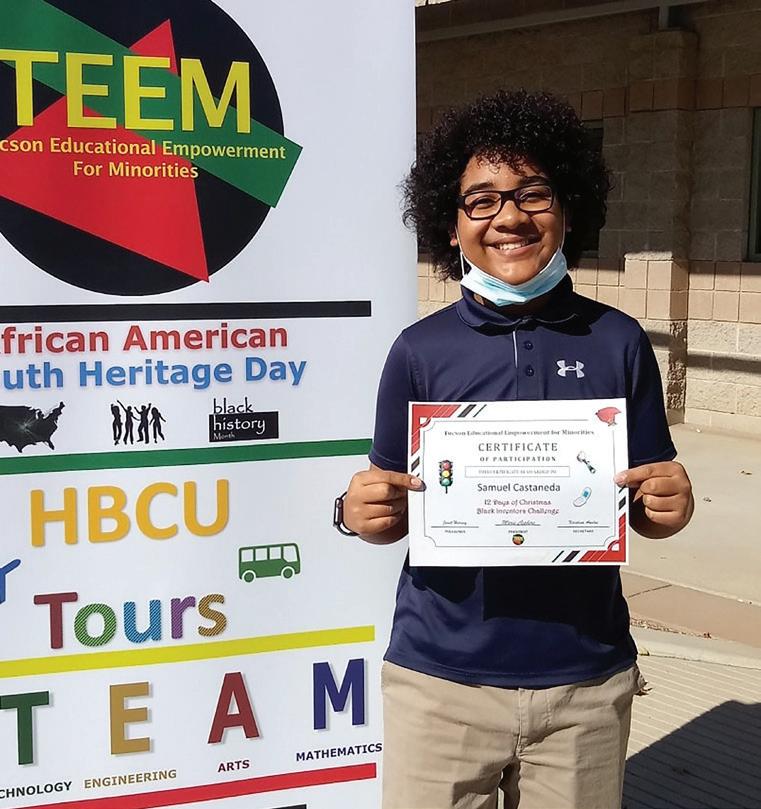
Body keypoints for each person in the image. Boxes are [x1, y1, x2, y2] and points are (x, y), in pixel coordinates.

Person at [339, 91, 694, 809]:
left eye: (533, 193)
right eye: (481, 200)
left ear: (568, 210)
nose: (508, 217)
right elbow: (386, 503)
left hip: (583, 682)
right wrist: (356, 512)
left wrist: (667, 507)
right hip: (439, 685)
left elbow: (645, 500)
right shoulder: (418, 351)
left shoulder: (619, 341)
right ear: (450, 226)